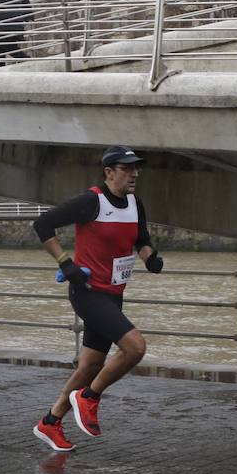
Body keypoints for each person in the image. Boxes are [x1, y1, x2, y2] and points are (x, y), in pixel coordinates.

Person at [31, 145, 164, 452]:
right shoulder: (91, 201)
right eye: (127, 168)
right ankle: (89, 398)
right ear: (109, 172)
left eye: (136, 168)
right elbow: (43, 224)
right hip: (88, 293)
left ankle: (50, 422)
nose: (134, 174)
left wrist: (150, 257)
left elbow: (141, 239)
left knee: (90, 365)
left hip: (114, 294)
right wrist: (66, 262)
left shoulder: (134, 203)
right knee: (135, 347)